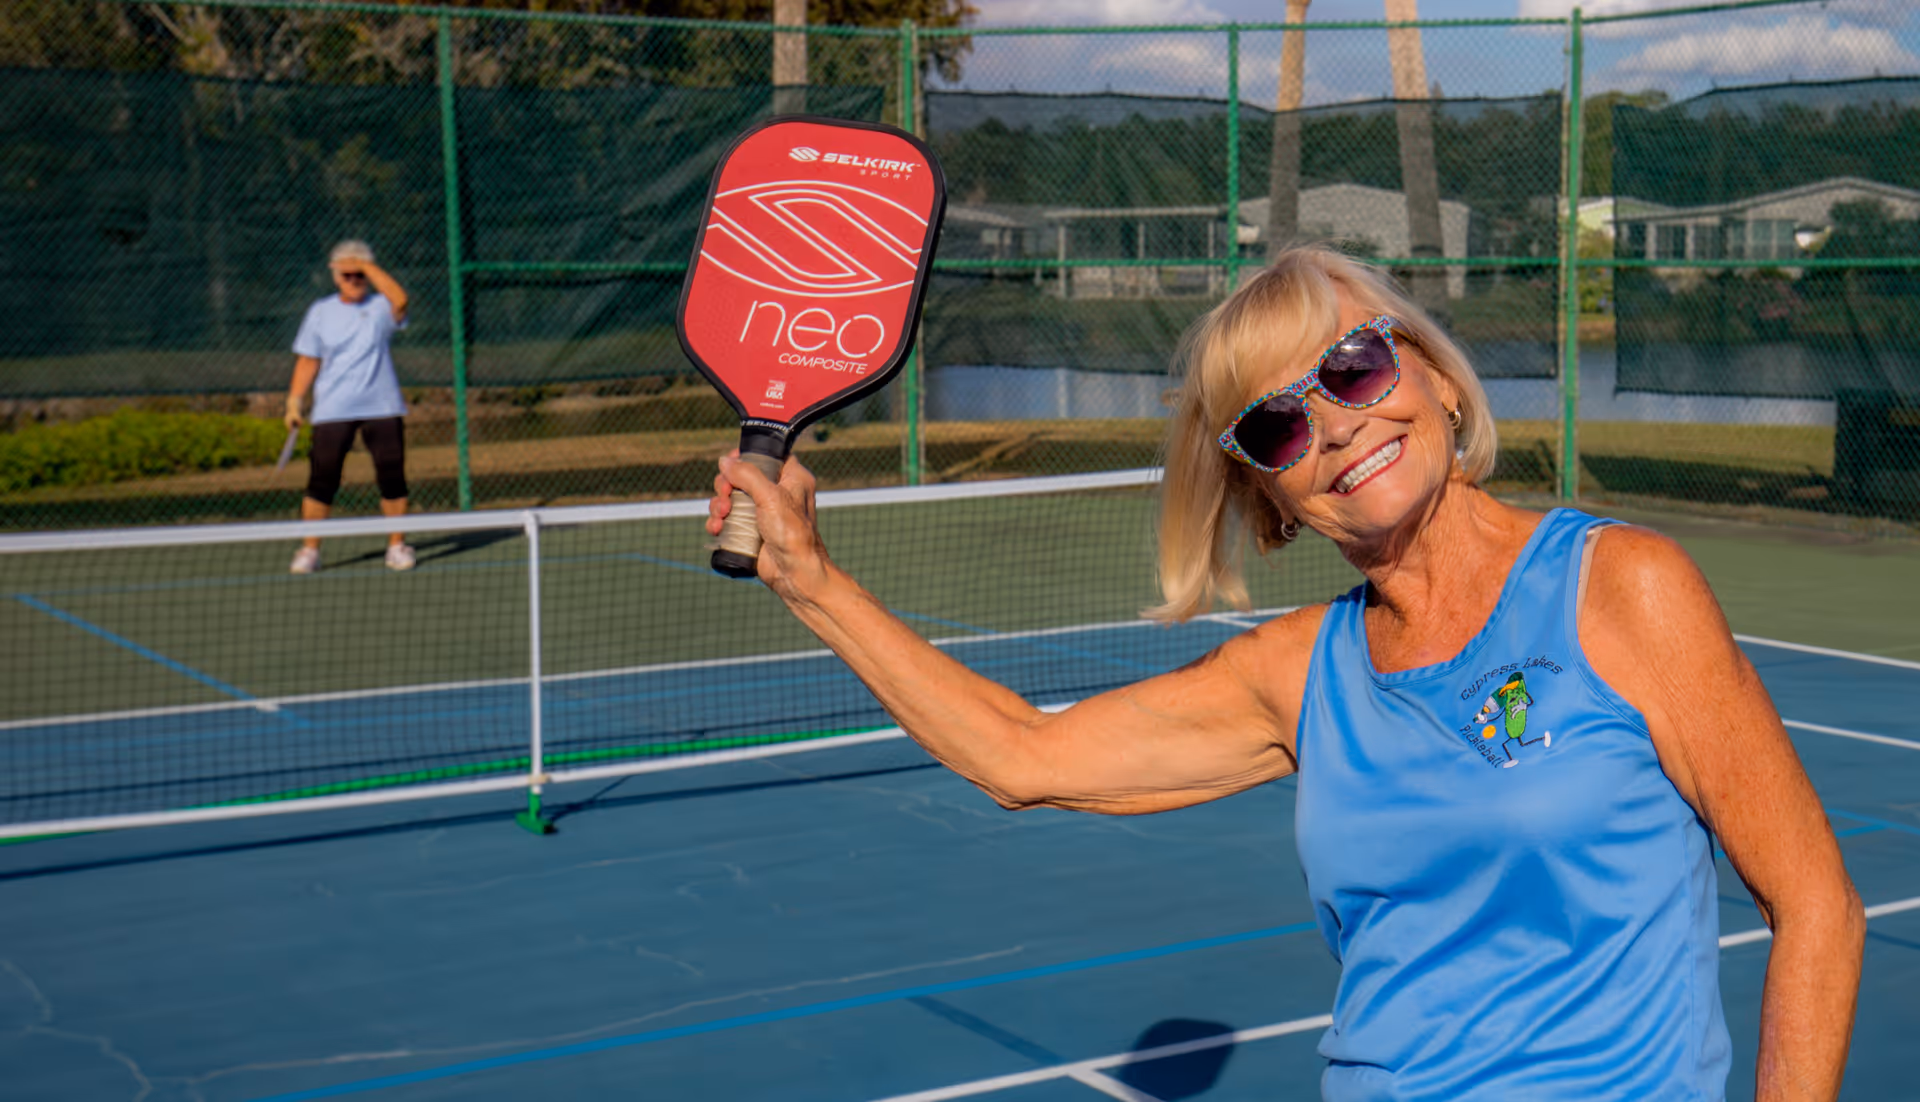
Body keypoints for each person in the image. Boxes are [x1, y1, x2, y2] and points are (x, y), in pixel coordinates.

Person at [707, 245, 1865, 1100]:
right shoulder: (1300, 673)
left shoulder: (1622, 587)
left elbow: (1815, 904)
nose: (1335, 424)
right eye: (1274, 429)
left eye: (1354, 367)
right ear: (1270, 497)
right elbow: (1025, 756)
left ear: (1441, 380)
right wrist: (811, 580)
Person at [284, 240, 415, 574]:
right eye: (347, 274)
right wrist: (295, 401)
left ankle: (397, 546)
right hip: (332, 410)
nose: (353, 280)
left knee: (392, 476)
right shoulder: (320, 311)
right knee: (322, 479)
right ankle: (310, 550)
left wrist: (367, 266)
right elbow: (307, 360)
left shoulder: (382, 307)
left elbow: (401, 300)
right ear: (335, 275)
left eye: (359, 275)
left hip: (382, 407)